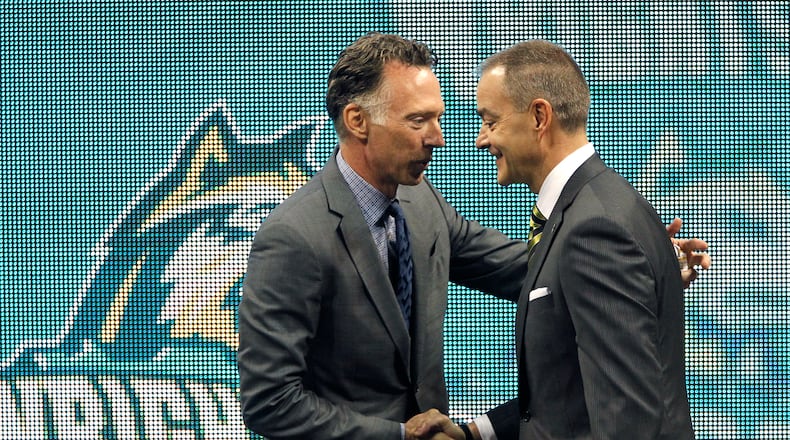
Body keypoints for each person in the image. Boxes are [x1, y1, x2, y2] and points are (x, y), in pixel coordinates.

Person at [238, 33, 709, 440]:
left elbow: (534, 268)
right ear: (358, 121)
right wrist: (400, 435)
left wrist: (639, 266)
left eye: (437, 118)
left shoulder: (422, 205)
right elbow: (269, 400)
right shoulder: (292, 236)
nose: (438, 137)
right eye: (418, 120)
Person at [453, 40, 702, 439]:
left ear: (539, 116)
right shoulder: (593, 210)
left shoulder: (595, 231)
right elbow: (567, 391)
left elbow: (628, 421)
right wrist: (474, 433)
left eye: (490, 120)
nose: (482, 139)